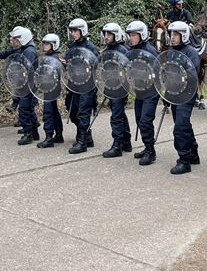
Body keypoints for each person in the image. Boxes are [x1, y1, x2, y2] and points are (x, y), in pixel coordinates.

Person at [166, 21, 201, 174]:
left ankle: (184, 160)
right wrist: (167, 92)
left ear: (184, 35)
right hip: (174, 93)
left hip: (187, 94)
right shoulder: (171, 52)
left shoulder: (191, 52)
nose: (172, 38)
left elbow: (192, 74)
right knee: (184, 124)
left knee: (179, 127)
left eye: (176, 35)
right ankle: (193, 152)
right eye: (171, 34)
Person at [125, 21, 160, 166]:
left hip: (151, 91)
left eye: (134, 35)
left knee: (145, 120)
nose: (131, 38)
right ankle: (147, 148)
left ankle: (151, 152)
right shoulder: (130, 51)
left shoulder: (150, 51)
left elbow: (159, 70)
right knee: (139, 120)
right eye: (130, 35)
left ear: (142, 35)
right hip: (139, 91)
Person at [65, 18, 99, 154]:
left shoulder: (91, 47)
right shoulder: (72, 47)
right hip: (74, 84)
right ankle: (88, 135)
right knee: (71, 110)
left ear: (82, 31)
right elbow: (70, 62)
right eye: (72, 31)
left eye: (76, 31)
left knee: (83, 112)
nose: (73, 33)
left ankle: (82, 142)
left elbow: (95, 65)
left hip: (88, 85)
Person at [101, 23, 133, 158]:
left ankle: (117, 145)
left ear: (116, 35)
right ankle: (126, 142)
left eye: (109, 34)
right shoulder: (107, 49)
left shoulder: (123, 50)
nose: (106, 37)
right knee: (119, 113)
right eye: (106, 34)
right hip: (110, 86)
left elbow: (128, 70)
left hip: (120, 87)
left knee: (116, 116)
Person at [9, 27, 40, 146]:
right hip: (26, 84)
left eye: (17, 39)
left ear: (23, 39)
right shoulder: (24, 49)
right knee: (29, 108)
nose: (14, 41)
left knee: (24, 109)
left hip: (28, 85)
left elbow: (27, 69)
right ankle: (34, 133)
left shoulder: (29, 51)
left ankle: (28, 134)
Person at [36, 34, 65, 148]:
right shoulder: (47, 57)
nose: (45, 46)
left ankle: (49, 138)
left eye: (47, 44)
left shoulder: (55, 58)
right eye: (44, 43)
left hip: (52, 88)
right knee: (54, 111)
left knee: (48, 112)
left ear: (54, 45)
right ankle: (58, 135)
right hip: (48, 87)